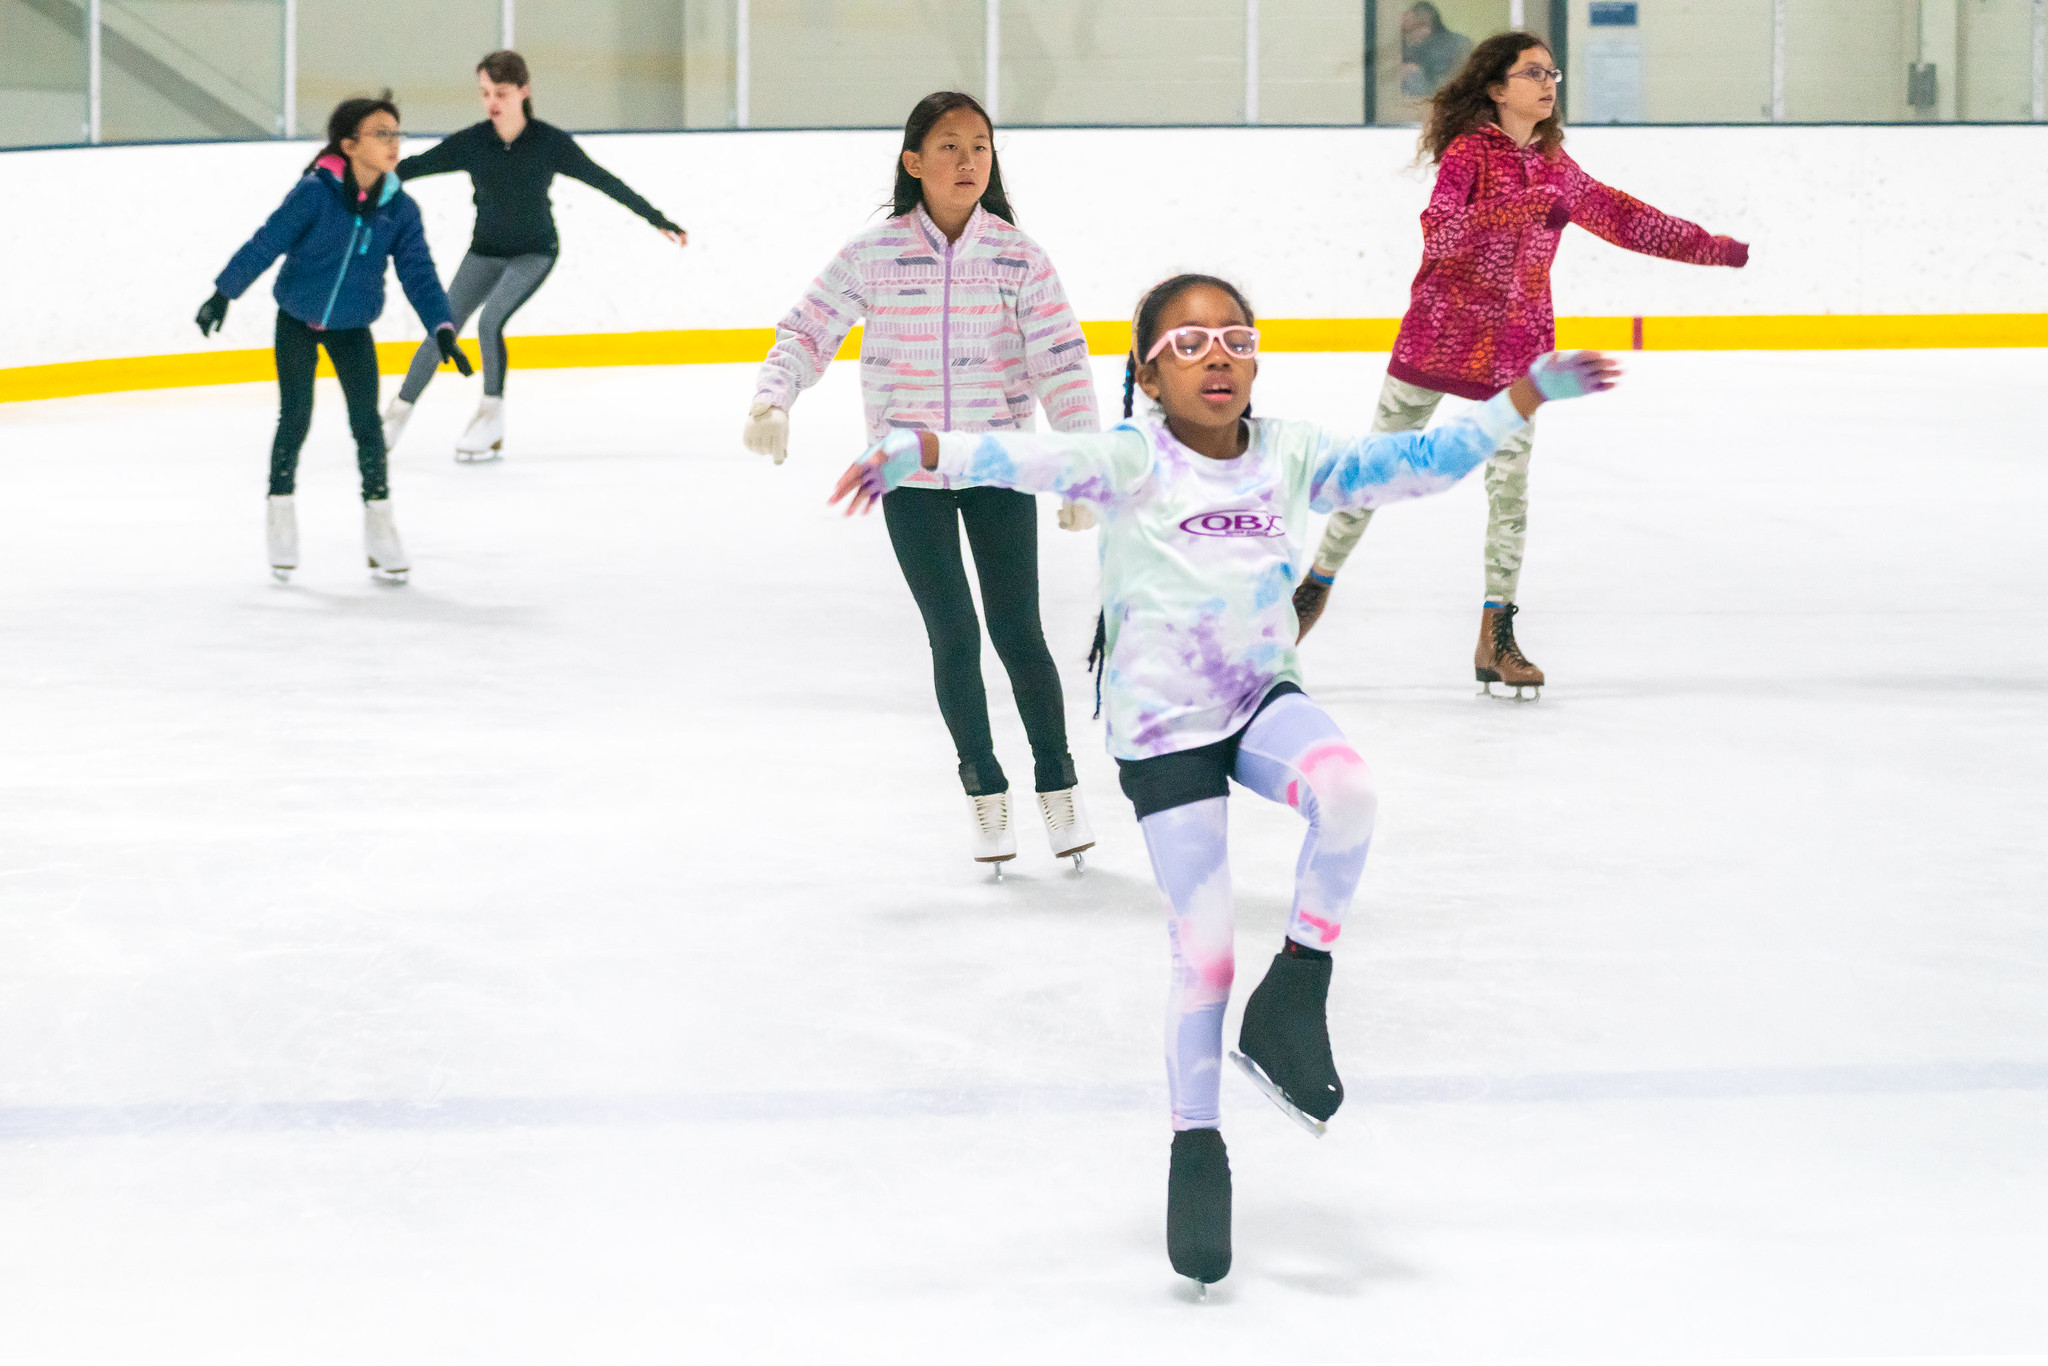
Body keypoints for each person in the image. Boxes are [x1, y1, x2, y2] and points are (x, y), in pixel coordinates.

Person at [829, 274, 1620, 1286]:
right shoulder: (1128, 458)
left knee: (1347, 789)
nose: (1215, 356)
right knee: (1200, 956)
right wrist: (920, 447)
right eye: (1188, 342)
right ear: (1148, 373)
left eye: (1233, 339)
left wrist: (1521, 395)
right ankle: (1196, 1145)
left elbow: (1415, 463)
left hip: (1258, 699)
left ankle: (1293, 990)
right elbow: (1024, 454)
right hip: (1161, 730)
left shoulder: (1289, 452)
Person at [1295, 31, 1747, 697]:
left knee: (1510, 493)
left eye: (1552, 73)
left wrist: (1717, 249)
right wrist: (1526, 205)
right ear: (1497, 87)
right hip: (1439, 337)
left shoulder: (1557, 163)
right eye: (1532, 72)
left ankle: (1496, 632)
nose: (1548, 84)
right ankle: (1313, 589)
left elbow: (1626, 219)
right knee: (1375, 470)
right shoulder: (1468, 154)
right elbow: (1442, 234)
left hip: (1516, 349)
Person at [745, 91, 1101, 873]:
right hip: (905, 471)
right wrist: (775, 394)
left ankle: (1060, 783)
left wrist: (1081, 468)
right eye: (949, 145)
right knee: (954, 637)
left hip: (999, 464)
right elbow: (808, 328)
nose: (968, 159)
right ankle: (984, 791)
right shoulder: (873, 255)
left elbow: (1061, 363)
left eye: (980, 145)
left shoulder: (1018, 256)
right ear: (913, 163)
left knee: (1019, 634)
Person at [195, 93, 470, 584]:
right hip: (297, 319)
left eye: (396, 133)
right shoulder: (315, 193)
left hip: (352, 327)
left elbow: (420, 274)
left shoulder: (399, 209)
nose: (393, 143)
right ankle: (280, 513)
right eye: (380, 134)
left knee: (367, 425)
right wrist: (223, 292)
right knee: (295, 417)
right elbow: (268, 241)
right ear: (349, 145)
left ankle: (380, 525)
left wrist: (442, 327)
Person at [382, 50, 687, 462]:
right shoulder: (473, 142)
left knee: (490, 321)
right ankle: (394, 417)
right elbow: (412, 168)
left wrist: (657, 218)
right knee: (443, 328)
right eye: (485, 92)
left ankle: (490, 419)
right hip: (484, 252)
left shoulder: (549, 143)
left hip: (534, 253)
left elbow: (604, 181)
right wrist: (359, 173)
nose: (492, 102)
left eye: (501, 93)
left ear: (523, 92)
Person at [1400, 2, 1473, 99]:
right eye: (1408, 32)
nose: (1411, 36)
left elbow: (1441, 87)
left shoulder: (1456, 44)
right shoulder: (1407, 46)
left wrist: (1416, 71)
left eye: (1416, 27)